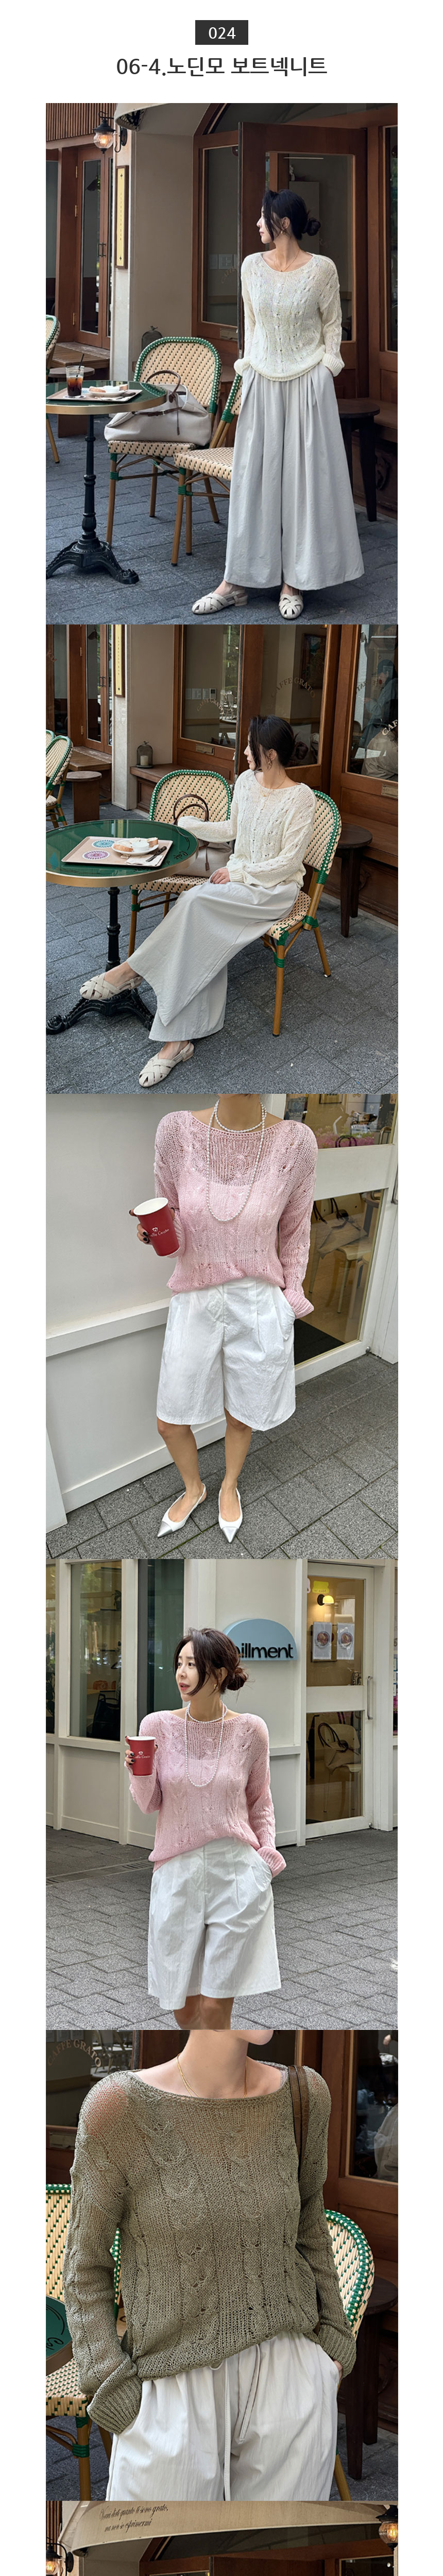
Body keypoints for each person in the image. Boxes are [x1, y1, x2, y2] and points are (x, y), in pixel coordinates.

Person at [63, 2028, 355, 2503]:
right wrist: (111, 2385)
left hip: (291, 2377)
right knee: (156, 2546)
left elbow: (310, 2226)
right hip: (170, 2389)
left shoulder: (304, 2096)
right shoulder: (118, 2109)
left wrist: (332, 2348)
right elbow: (85, 2267)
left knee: (276, 2548)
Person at [79, 716, 315, 1087]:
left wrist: (238, 874)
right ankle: (176, 1042)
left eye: (250, 746)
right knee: (200, 924)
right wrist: (189, 825)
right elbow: (231, 830)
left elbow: (288, 863)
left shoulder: (302, 798)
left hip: (273, 890)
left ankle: (132, 971)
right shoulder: (245, 782)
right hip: (237, 879)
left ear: (270, 754)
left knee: (193, 903)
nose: (245, 752)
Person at [142, 1091, 317, 1538]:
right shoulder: (176, 1131)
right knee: (170, 1420)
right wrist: (157, 1232)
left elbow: (296, 1231)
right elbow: (174, 1228)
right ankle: (194, 1488)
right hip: (195, 1297)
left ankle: (229, 1485)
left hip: (257, 1298)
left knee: (241, 1413)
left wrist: (291, 1298)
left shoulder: (296, 1142)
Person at [192, 188, 364, 618]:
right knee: (254, 483)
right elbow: (250, 324)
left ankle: (294, 581)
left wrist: (327, 369)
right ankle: (235, 582)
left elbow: (333, 325)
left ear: (283, 223)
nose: (257, 224)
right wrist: (248, 366)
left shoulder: (322, 270)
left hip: (308, 386)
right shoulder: (252, 267)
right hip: (262, 383)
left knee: (304, 484)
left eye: (263, 217)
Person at [125, 1625, 284, 2016]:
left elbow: (260, 1800)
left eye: (192, 1665)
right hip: (178, 1872)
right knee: (183, 2005)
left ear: (219, 1673)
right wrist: (139, 1773)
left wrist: (265, 1857)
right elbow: (149, 1804)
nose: (181, 1673)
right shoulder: (156, 1726)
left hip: (237, 1874)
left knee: (215, 2006)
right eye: (179, 1663)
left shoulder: (251, 1730)